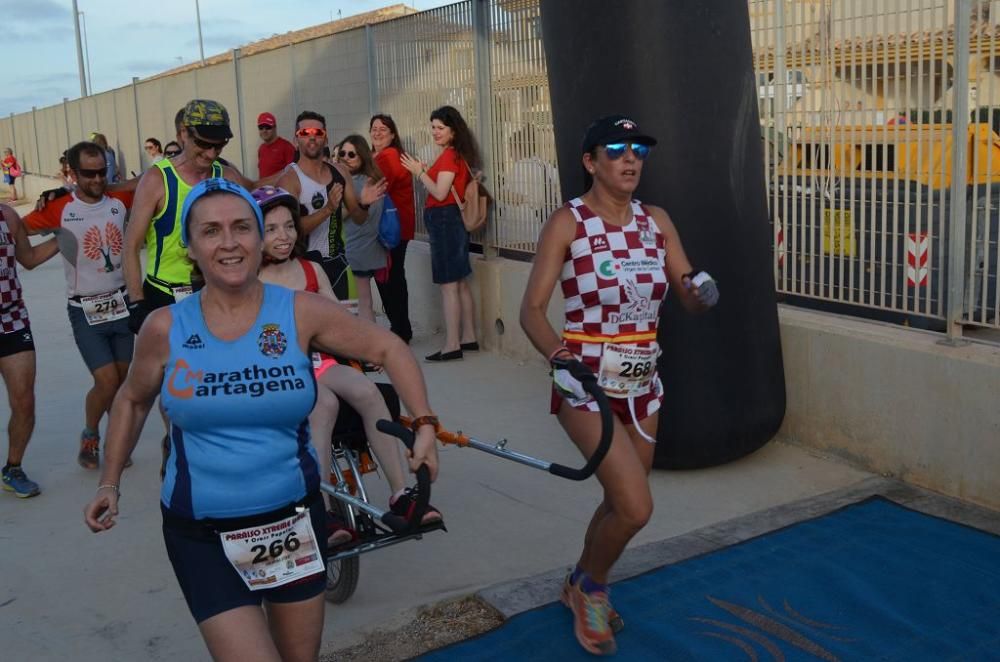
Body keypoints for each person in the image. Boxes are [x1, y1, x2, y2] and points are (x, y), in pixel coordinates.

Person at [83, 178, 440, 660]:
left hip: (292, 523)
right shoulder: (166, 326)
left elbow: (389, 347)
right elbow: (132, 400)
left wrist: (425, 424)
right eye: (210, 231)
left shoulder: (300, 312)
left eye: (241, 228)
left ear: (258, 237)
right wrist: (109, 483)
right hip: (202, 532)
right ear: (189, 247)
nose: (228, 242)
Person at [519, 115, 720, 656]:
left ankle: (580, 582)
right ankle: (591, 588)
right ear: (591, 162)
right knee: (636, 507)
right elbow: (532, 312)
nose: (630, 160)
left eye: (638, 151)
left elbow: (685, 287)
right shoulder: (569, 222)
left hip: (643, 381)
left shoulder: (656, 220)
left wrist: (700, 292)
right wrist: (561, 358)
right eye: (616, 150)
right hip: (586, 384)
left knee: (619, 497)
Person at [253, 185, 440, 525]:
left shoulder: (311, 270)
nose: (283, 235)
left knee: (368, 391)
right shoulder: (253, 281)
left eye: (289, 226)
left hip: (319, 360)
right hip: (279, 371)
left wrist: (358, 345)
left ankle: (400, 493)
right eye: (271, 229)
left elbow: (339, 323)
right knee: (323, 403)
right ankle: (322, 507)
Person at [22, 141, 135, 470]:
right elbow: (16, 227)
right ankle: (90, 434)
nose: (98, 180)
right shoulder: (58, 208)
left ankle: (115, 441)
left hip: (122, 303)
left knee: (122, 379)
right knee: (107, 381)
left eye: (102, 172)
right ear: (72, 173)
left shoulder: (119, 200)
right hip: (84, 310)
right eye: (89, 174)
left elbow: (150, 181)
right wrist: (50, 241)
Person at [276, 110, 385, 313]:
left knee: (347, 328)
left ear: (325, 137)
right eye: (305, 132)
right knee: (311, 334)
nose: (311, 137)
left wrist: (364, 203)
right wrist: (327, 210)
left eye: (317, 132)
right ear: (295, 139)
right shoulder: (289, 180)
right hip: (303, 268)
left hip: (339, 265)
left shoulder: (340, 172)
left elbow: (359, 218)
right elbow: (290, 231)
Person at [400, 105, 481, 361]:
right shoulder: (455, 155)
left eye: (440, 127)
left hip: (445, 220)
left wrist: (420, 172)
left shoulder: (449, 157)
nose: (435, 132)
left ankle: (452, 343)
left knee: (449, 286)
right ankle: (468, 337)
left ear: (453, 131)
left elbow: (439, 192)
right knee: (460, 283)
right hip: (451, 221)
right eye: (433, 127)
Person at [0, 203, 60, 497]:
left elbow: (30, 258)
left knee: (24, 401)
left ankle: (13, 468)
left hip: (10, 319)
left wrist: (65, 234)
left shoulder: (7, 216)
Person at [370, 114, 414, 343]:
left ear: (393, 134)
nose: (377, 132)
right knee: (389, 275)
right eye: (374, 128)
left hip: (393, 228)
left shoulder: (388, 156)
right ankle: (399, 327)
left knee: (390, 276)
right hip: (391, 227)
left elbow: (375, 187)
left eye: (383, 129)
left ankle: (400, 329)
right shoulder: (379, 156)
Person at [338, 135, 388, 323]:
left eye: (352, 154)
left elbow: (337, 217)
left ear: (362, 157)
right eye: (343, 153)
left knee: (361, 303)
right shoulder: (373, 178)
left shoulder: (355, 184)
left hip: (356, 248)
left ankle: (368, 345)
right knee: (365, 301)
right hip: (371, 247)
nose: (346, 157)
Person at [256, 112, 295, 179]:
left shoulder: (286, 147)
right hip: (264, 189)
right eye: (261, 128)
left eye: (268, 127)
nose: (264, 130)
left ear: (275, 128)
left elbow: (294, 174)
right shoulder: (261, 149)